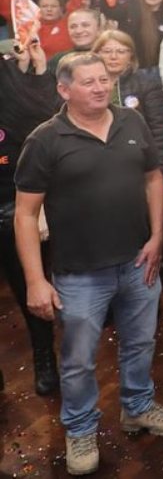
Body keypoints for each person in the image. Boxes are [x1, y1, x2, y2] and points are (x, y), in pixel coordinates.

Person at [14, 53, 163, 476]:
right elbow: (25, 215)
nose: (99, 87)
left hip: (137, 262)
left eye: (104, 79)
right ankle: (80, 429)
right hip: (79, 273)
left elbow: (153, 178)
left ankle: (138, 407)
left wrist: (158, 236)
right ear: (64, 89)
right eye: (88, 81)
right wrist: (35, 280)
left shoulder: (131, 121)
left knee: (141, 343)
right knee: (78, 360)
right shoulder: (45, 139)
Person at [0, 30, 60, 397]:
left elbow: (38, 123)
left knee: (27, 287)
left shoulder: (9, 74)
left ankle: (44, 358)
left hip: (13, 200)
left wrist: (36, 75)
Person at [92, 30, 163, 181]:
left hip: (137, 165)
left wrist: (161, 178)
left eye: (121, 51)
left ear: (131, 56)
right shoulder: (87, 86)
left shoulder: (147, 84)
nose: (113, 56)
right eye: (107, 51)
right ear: (96, 54)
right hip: (96, 165)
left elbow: (160, 133)